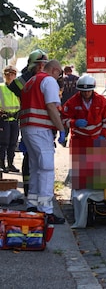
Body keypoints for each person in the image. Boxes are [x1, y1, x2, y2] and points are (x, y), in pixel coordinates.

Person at [19, 59, 67, 224]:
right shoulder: (48, 81)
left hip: (27, 128)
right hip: (40, 129)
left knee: (35, 167)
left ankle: (32, 206)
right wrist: (61, 129)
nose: (59, 77)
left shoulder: (31, 81)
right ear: (54, 70)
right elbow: (51, 106)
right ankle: (46, 211)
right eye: (59, 74)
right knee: (46, 169)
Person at [9, 49, 49, 196]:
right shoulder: (25, 80)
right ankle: (30, 190)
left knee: (43, 162)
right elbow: (15, 87)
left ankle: (40, 193)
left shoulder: (46, 78)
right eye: (38, 64)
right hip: (29, 125)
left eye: (43, 64)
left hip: (43, 125)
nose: (41, 67)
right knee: (31, 158)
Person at [61, 74, 106, 149]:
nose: (86, 93)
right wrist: (74, 122)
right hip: (79, 140)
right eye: (84, 91)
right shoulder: (72, 102)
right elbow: (64, 119)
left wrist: (103, 134)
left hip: (98, 138)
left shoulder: (102, 101)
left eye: (88, 91)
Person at [0, 65, 20, 172]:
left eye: (12, 74)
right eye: (8, 75)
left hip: (15, 119)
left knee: (13, 143)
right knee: (3, 143)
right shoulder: (1, 87)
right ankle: (2, 164)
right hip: (3, 119)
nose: (10, 76)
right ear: (4, 76)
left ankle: (10, 164)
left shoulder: (17, 88)